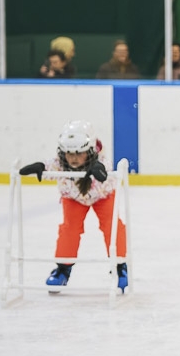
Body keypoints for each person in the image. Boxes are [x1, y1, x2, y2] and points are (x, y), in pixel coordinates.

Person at [17, 121, 127, 291]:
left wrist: (98, 169)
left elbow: (106, 166)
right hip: (74, 198)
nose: (73, 158)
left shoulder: (100, 160)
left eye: (79, 153)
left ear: (90, 151)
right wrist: (40, 167)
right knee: (70, 229)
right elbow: (50, 165)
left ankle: (120, 267)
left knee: (112, 226)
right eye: (69, 153)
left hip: (102, 196)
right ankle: (62, 269)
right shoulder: (61, 163)